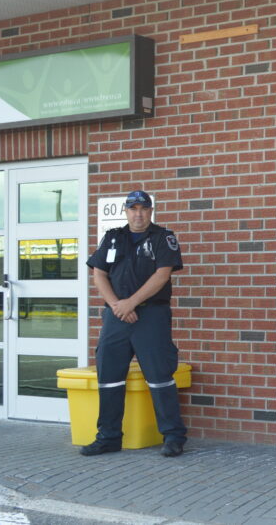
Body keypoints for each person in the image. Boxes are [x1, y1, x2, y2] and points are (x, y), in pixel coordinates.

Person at [82, 190, 187, 457]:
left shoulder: (164, 237)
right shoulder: (113, 237)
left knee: (160, 377)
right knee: (109, 377)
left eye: (143, 209)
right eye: (133, 209)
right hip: (116, 316)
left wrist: (131, 303)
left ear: (150, 211)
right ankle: (108, 437)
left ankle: (173, 437)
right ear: (126, 212)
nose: (138, 214)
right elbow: (99, 274)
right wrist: (119, 305)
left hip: (151, 316)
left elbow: (162, 275)